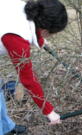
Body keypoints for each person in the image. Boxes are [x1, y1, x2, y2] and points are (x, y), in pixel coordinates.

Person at [0, 0, 68, 134]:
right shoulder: (16, 37)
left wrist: (41, 41)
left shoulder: (26, 8)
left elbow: (32, 29)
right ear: (45, 30)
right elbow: (28, 80)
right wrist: (48, 111)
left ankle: (6, 127)